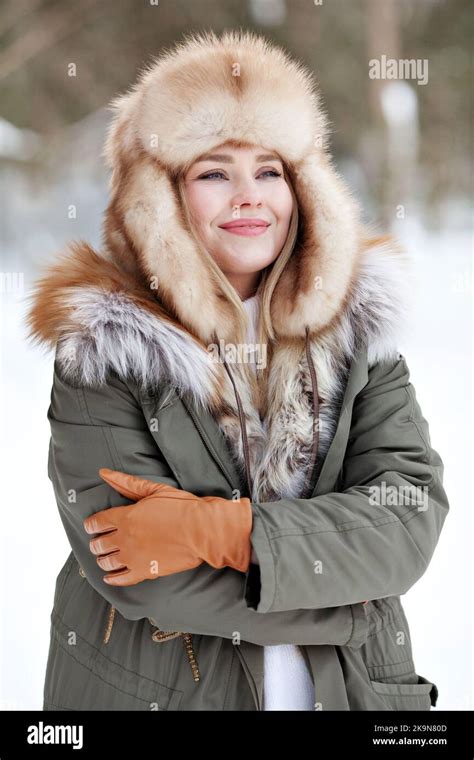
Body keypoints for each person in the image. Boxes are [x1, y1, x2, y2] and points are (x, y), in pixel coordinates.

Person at [25, 29, 448, 711]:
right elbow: (142, 577)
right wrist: (348, 604)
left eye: (271, 171)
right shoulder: (105, 345)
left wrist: (215, 532)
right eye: (215, 172)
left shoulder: (357, 327)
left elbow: (407, 522)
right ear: (159, 195)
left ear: (304, 185)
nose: (250, 197)